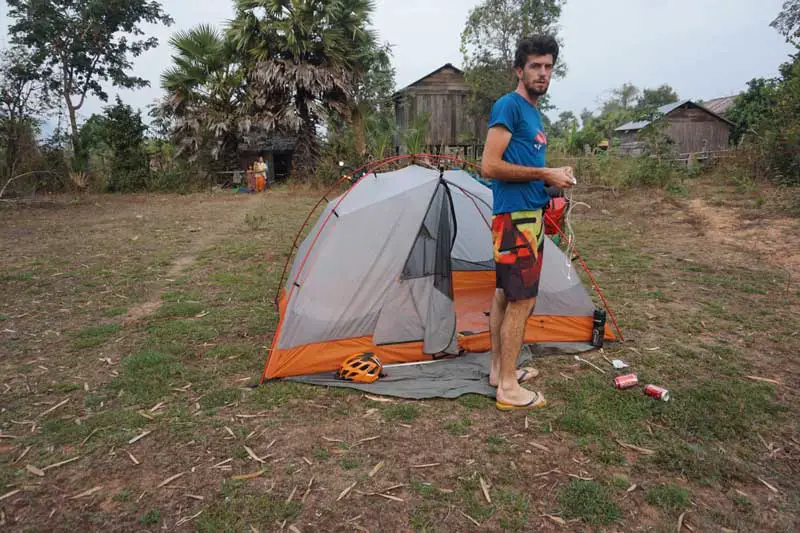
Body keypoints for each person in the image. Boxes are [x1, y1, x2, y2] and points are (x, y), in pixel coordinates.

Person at [480, 35, 575, 411]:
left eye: (548, 66)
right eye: (535, 66)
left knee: (506, 296)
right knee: (523, 300)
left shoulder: (534, 115)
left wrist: (553, 177)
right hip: (514, 218)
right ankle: (507, 388)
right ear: (519, 70)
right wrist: (544, 172)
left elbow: (528, 168)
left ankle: (497, 372)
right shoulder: (510, 106)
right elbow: (489, 166)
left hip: (528, 215)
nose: (543, 73)